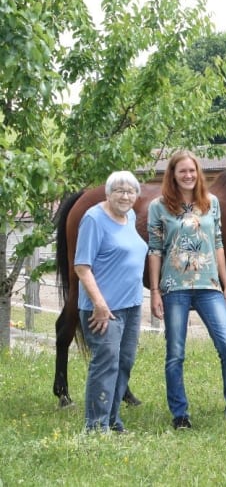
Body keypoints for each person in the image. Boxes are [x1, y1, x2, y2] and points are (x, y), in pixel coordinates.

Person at [147, 150, 226, 429]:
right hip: (174, 286)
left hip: (209, 285)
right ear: (173, 175)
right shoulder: (159, 206)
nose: (188, 176)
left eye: (192, 171)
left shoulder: (211, 203)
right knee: (175, 352)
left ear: (198, 173)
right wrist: (154, 290)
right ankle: (180, 414)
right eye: (182, 172)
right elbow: (155, 250)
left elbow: (218, 244)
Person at [74, 171, 148, 433]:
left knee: (124, 361)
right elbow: (82, 267)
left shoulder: (129, 218)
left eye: (130, 191)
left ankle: (113, 420)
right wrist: (100, 304)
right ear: (108, 193)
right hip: (104, 309)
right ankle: (95, 427)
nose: (125, 196)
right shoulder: (94, 219)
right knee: (106, 362)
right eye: (119, 190)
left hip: (131, 305)